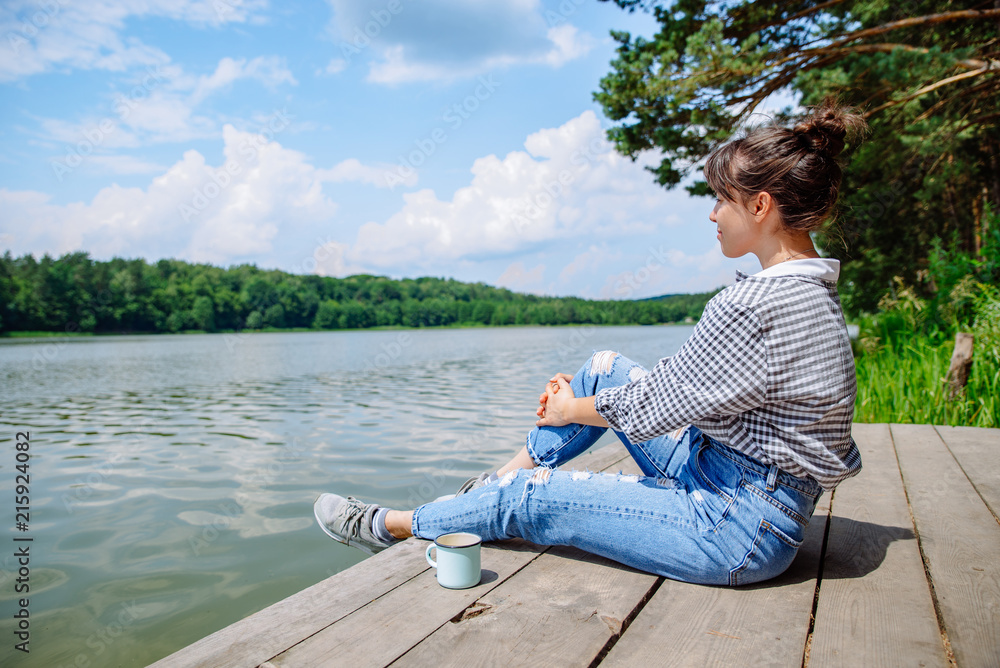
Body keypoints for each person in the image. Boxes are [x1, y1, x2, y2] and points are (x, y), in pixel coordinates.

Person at [313, 105, 865, 586]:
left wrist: (567, 408)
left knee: (537, 496)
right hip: (736, 481)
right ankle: (492, 483)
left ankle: (392, 525)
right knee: (603, 369)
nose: (713, 213)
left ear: (761, 206)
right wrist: (578, 400)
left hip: (734, 527)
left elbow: (658, 403)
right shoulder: (807, 291)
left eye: (722, 199)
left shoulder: (760, 304)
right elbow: (683, 383)